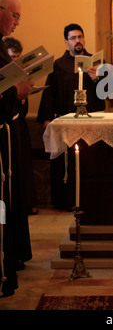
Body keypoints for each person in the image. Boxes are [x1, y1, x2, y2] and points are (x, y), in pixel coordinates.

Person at [37, 24, 106, 210]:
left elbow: (107, 94)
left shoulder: (97, 63)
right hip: (66, 122)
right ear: (66, 42)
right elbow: (49, 93)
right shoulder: (58, 65)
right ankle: (66, 201)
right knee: (68, 165)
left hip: (92, 122)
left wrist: (97, 79)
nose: (78, 41)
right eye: (73, 38)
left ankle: (91, 199)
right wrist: (46, 119)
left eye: (80, 37)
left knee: (90, 161)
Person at [0, 0, 33, 297]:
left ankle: (7, 267)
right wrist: (16, 91)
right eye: (15, 16)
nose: (17, 23)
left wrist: (17, 92)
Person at [3, 37, 38, 215]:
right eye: (12, 58)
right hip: (6, 127)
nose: (15, 61)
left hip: (20, 126)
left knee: (24, 167)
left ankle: (26, 202)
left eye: (18, 57)